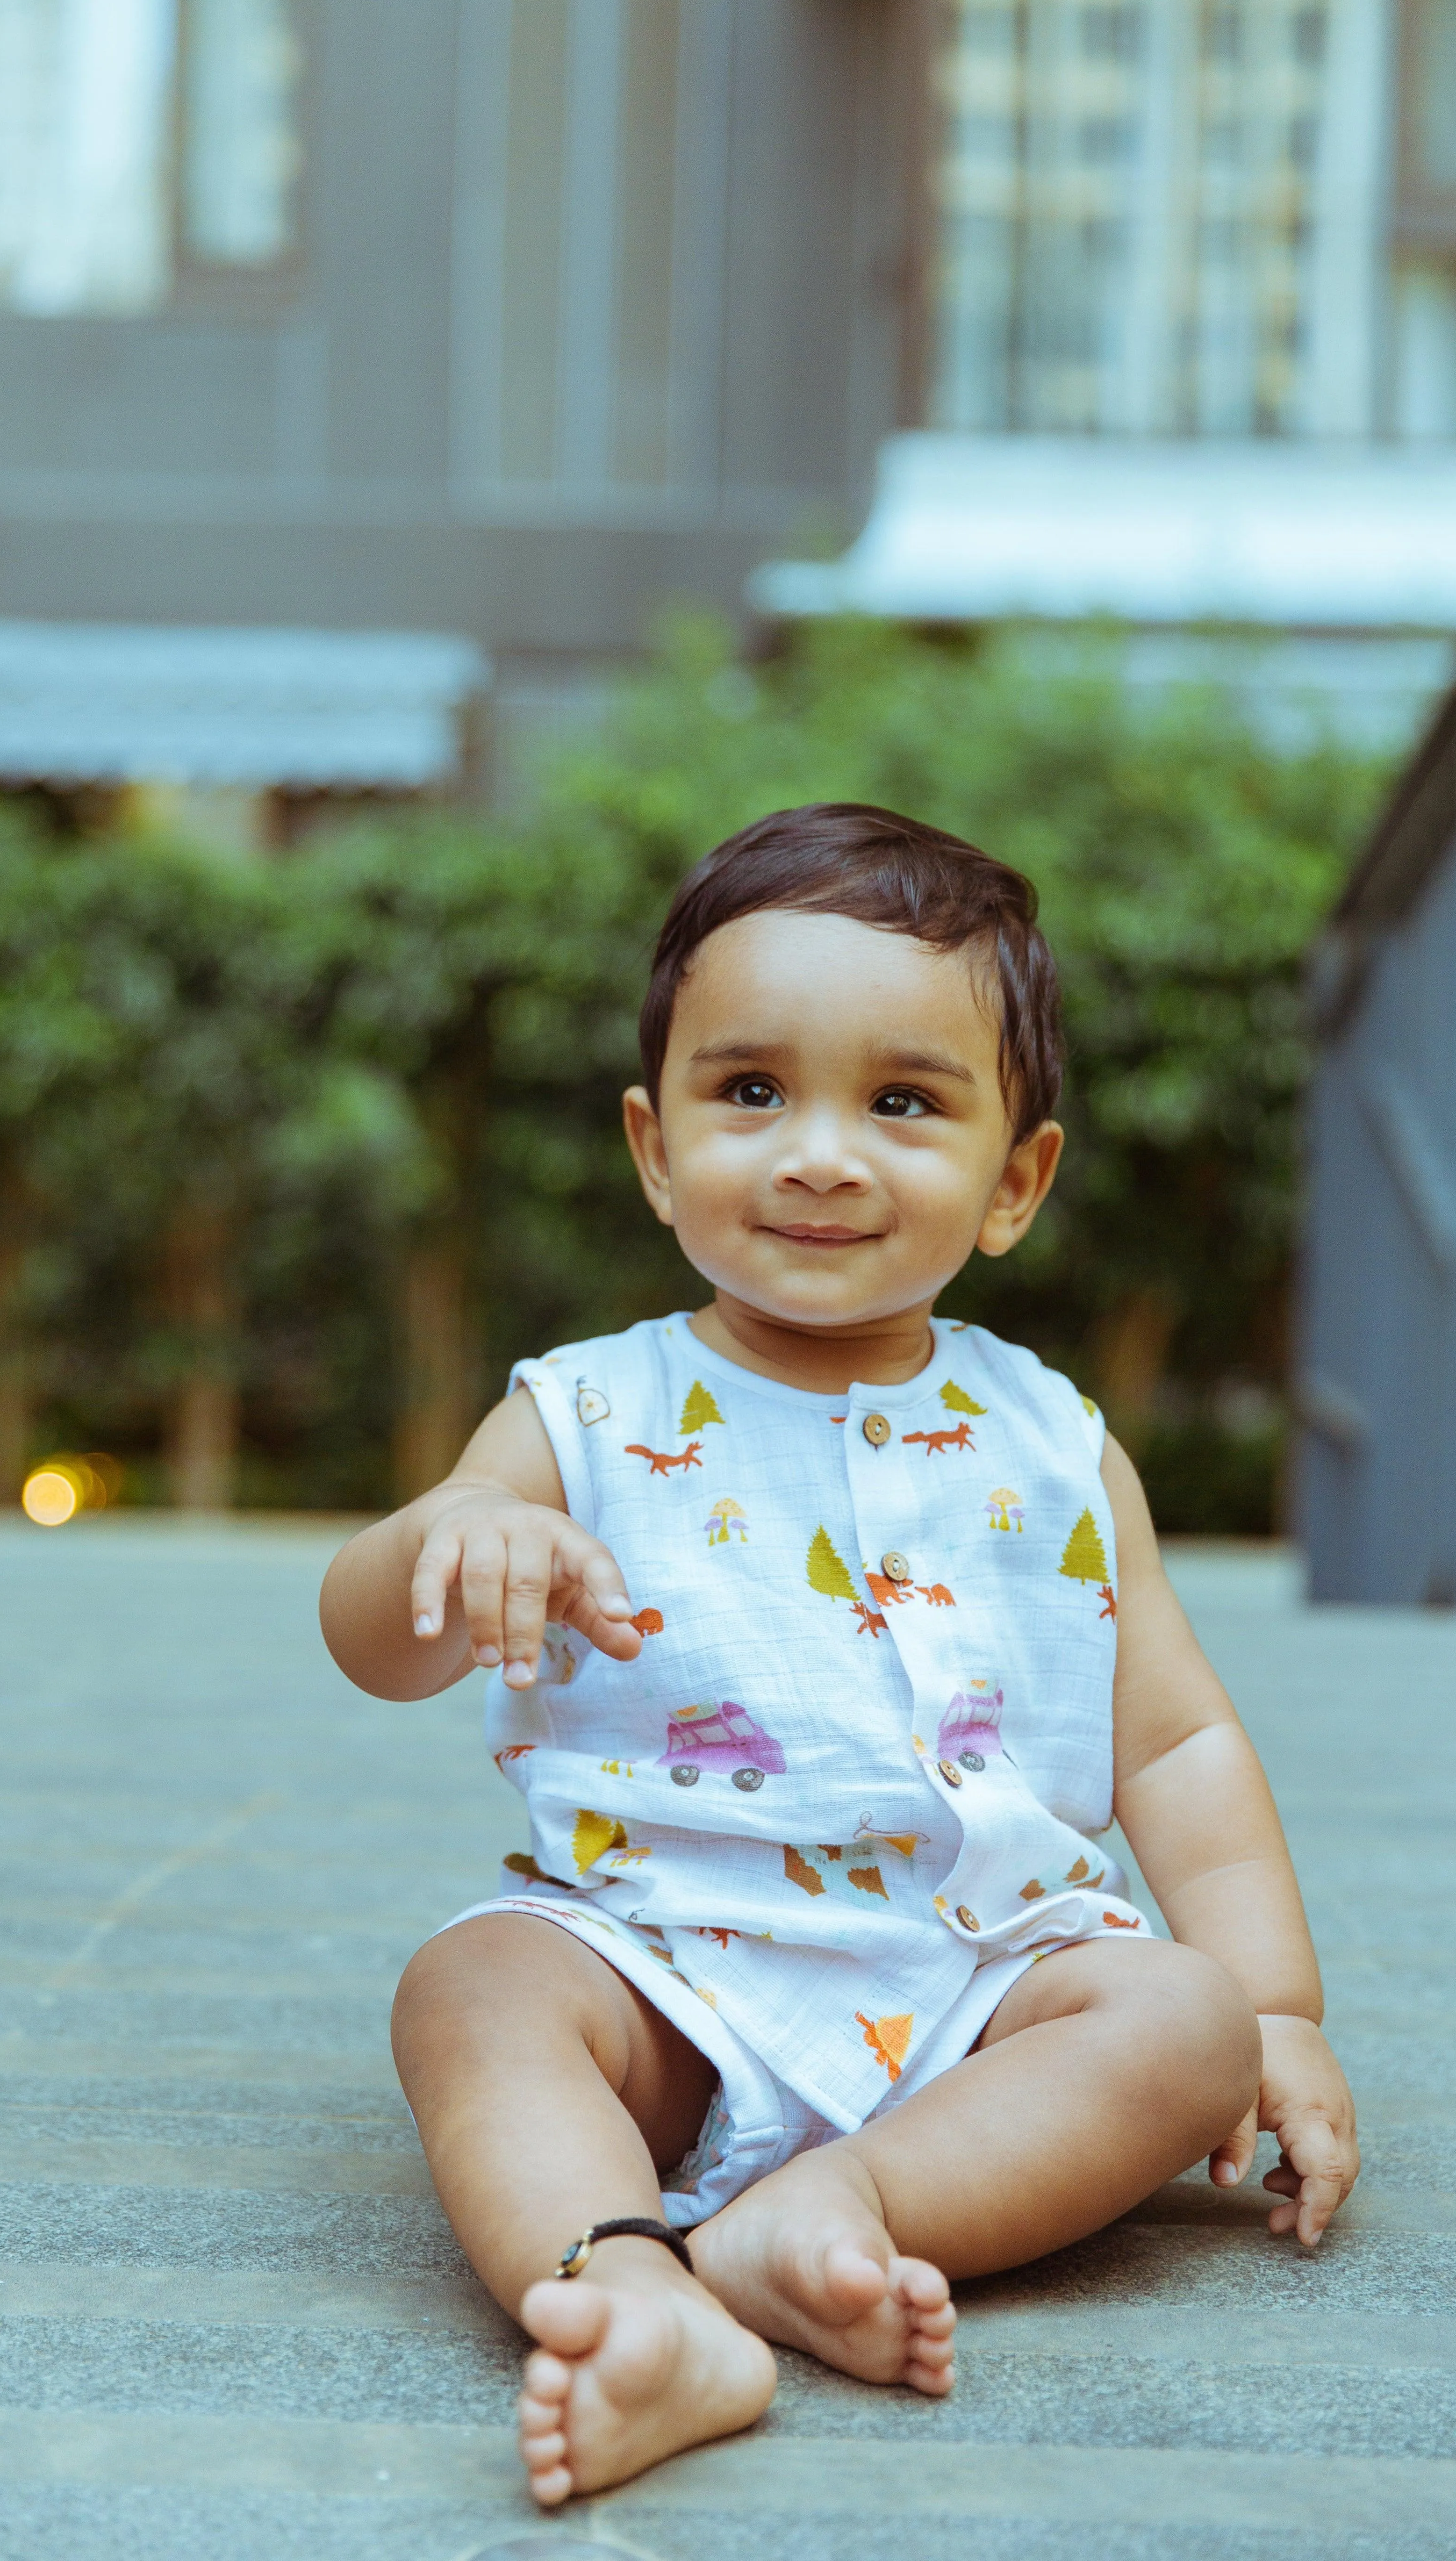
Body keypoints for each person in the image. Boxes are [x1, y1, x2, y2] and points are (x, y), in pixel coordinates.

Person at [319, 803, 1358, 2507]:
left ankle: (839, 2212)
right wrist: (441, 1546)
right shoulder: (584, 1413)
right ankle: (633, 2292)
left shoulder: (1053, 1442)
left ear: (1016, 1178)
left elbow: (1174, 1751)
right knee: (475, 1989)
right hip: (660, 1974)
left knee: (1180, 2023)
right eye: (750, 1094)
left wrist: (1282, 2013)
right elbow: (374, 1645)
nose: (818, 1153)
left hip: (980, 1991)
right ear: (655, 1152)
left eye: (901, 1103)